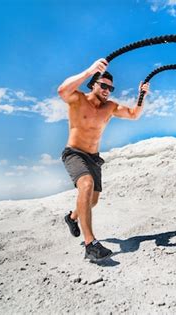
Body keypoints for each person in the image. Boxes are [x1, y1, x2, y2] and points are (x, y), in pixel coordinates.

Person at [57, 58, 150, 262]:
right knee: (86, 184)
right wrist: (89, 71)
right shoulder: (78, 99)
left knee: (93, 200)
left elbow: (134, 114)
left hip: (94, 158)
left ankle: (72, 218)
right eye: (103, 85)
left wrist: (141, 95)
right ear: (93, 84)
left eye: (111, 87)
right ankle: (91, 244)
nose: (108, 90)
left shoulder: (110, 107)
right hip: (74, 153)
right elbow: (62, 90)